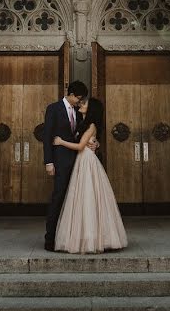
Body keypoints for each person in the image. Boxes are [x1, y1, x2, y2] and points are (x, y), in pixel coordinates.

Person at [53, 97, 127, 254]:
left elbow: (80, 146)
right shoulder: (85, 124)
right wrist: (96, 143)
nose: (81, 104)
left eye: (84, 103)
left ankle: (90, 238)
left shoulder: (91, 126)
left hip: (86, 161)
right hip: (84, 160)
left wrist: (61, 142)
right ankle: (87, 237)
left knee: (87, 197)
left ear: (91, 109)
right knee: (85, 199)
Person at [43, 80, 95, 251]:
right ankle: (50, 239)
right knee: (58, 197)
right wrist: (49, 162)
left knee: (74, 199)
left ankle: (70, 238)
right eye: (78, 98)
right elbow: (47, 136)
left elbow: (82, 135)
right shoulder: (53, 108)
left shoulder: (78, 112)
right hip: (60, 160)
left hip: (78, 160)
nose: (79, 102)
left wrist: (95, 143)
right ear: (71, 94)